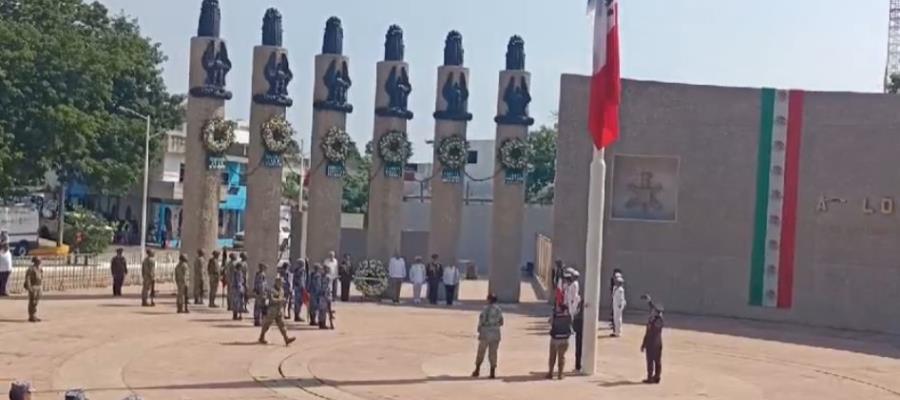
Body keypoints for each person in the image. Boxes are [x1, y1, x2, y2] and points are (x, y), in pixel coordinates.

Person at [258, 275, 296, 346]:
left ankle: (286, 338)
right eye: (281, 282)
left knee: (282, 324)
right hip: (272, 310)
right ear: (277, 282)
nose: (282, 284)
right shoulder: (272, 290)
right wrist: (280, 300)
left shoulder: (281, 290)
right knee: (266, 324)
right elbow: (271, 299)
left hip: (279, 310)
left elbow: (282, 298)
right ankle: (261, 337)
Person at [472, 293, 504, 379]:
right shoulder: (499, 310)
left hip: (485, 333)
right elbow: (501, 322)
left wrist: (479, 330)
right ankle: (492, 372)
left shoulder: (485, 309)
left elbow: (481, 320)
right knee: (493, 353)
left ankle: (477, 370)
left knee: (481, 352)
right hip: (496, 333)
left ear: (488, 300)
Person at [641, 299, 665, 384]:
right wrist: (649, 301)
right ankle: (655, 376)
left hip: (653, 344)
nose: (652, 311)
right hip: (656, 343)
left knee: (652, 361)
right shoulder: (657, 319)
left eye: (654, 311)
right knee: (655, 361)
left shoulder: (656, 320)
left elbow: (650, 333)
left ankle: (652, 377)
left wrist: (644, 344)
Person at [547, 304, 573, 380]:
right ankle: (560, 374)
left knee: (552, 357)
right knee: (561, 357)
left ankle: (550, 373)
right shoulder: (568, 317)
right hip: (564, 339)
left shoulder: (555, 316)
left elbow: (550, 322)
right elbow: (571, 324)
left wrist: (553, 314)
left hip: (555, 339)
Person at [24, 257, 43, 322]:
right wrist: (29, 287)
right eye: (39, 260)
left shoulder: (40, 269)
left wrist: (41, 287)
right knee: (32, 301)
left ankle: (34, 315)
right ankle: (31, 316)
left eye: (40, 260)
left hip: (38, 286)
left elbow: (41, 277)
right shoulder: (31, 269)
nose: (40, 261)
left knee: (36, 302)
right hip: (33, 286)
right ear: (35, 261)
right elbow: (28, 279)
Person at [573, 298, 585, 373]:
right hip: (582, 333)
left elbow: (574, 325)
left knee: (578, 350)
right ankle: (579, 365)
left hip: (579, 333)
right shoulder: (587, 315)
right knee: (580, 350)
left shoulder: (578, 314)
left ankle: (578, 366)